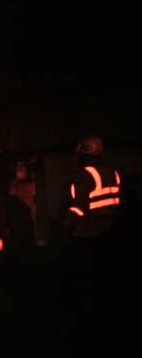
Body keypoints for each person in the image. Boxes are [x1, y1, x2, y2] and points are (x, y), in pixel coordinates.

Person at [59, 134, 124, 313]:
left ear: (84, 154)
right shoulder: (113, 173)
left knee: (85, 274)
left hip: (88, 232)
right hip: (111, 229)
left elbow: (79, 207)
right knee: (106, 274)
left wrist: (66, 224)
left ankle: (86, 308)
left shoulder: (85, 175)